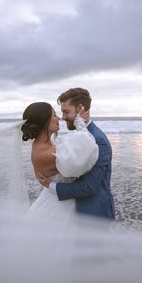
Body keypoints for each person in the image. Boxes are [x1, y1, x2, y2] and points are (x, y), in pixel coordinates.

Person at [37, 88, 115, 220]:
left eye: (66, 112)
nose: (62, 117)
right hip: (77, 212)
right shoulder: (81, 134)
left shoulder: (98, 140)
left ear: (80, 109)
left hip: (93, 214)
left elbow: (89, 187)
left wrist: (50, 185)